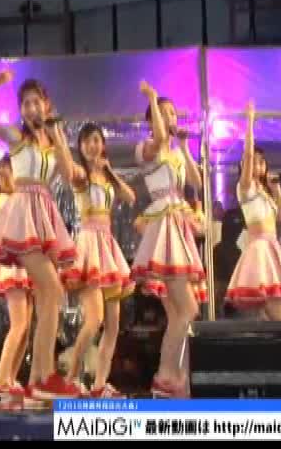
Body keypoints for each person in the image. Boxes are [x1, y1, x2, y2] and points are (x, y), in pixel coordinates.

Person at [0, 69, 80, 400]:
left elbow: (70, 175)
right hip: (23, 214)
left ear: (46, 105)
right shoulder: (16, 136)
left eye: (36, 102)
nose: (30, 108)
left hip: (44, 213)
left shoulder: (51, 141)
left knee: (47, 296)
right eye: (25, 103)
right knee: (52, 290)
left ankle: (38, 378)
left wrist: (58, 135)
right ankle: (43, 376)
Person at [131, 81, 205, 398]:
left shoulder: (175, 154)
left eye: (173, 113)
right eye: (162, 114)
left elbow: (197, 181)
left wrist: (185, 148)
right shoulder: (145, 147)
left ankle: (171, 377)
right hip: (163, 225)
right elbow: (160, 138)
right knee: (187, 309)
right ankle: (165, 375)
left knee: (178, 313)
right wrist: (151, 97)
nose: (170, 118)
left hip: (178, 224)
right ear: (151, 121)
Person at [61, 122, 136, 398]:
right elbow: (68, 169)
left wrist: (110, 171)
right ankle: (70, 378)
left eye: (96, 140)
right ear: (80, 147)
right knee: (94, 320)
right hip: (89, 246)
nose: (92, 145)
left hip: (108, 247)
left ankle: (100, 384)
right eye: (86, 141)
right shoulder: (81, 175)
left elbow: (130, 196)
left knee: (113, 325)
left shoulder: (106, 176)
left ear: (103, 144)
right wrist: (59, 137)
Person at [225, 102, 281, 319]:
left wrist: (277, 191)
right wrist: (249, 121)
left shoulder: (266, 192)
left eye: (262, 162)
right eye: (253, 162)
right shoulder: (245, 188)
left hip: (273, 248)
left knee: (270, 314)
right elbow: (248, 155)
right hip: (259, 250)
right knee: (278, 314)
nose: (257, 165)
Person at [0, 155, 35, 400]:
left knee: (26, 328)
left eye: (9, 172)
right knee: (18, 324)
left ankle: (10, 378)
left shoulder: (20, 198)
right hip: (13, 264)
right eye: (3, 174)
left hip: (26, 263)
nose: (6, 178)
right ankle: (1, 378)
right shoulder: (4, 200)